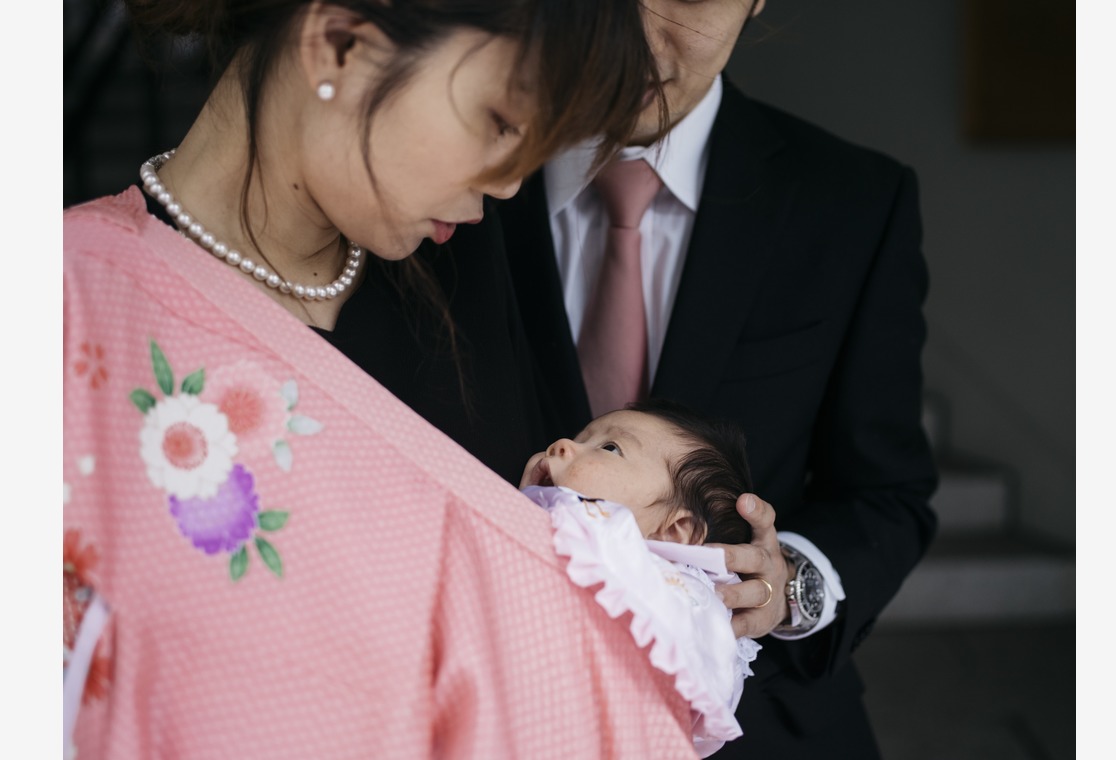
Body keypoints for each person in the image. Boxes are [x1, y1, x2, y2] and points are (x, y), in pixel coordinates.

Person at [62, 2, 706, 758]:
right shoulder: (75, 302)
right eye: (501, 123)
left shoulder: (473, 270)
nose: (510, 184)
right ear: (339, 45)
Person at [497, 0, 940, 756]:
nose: (633, 35)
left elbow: (885, 493)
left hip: (757, 723)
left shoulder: (854, 201)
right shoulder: (438, 175)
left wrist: (787, 584)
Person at [518, 397, 761, 757]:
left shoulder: (670, 598)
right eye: (581, 437)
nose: (562, 445)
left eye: (610, 448)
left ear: (675, 530)